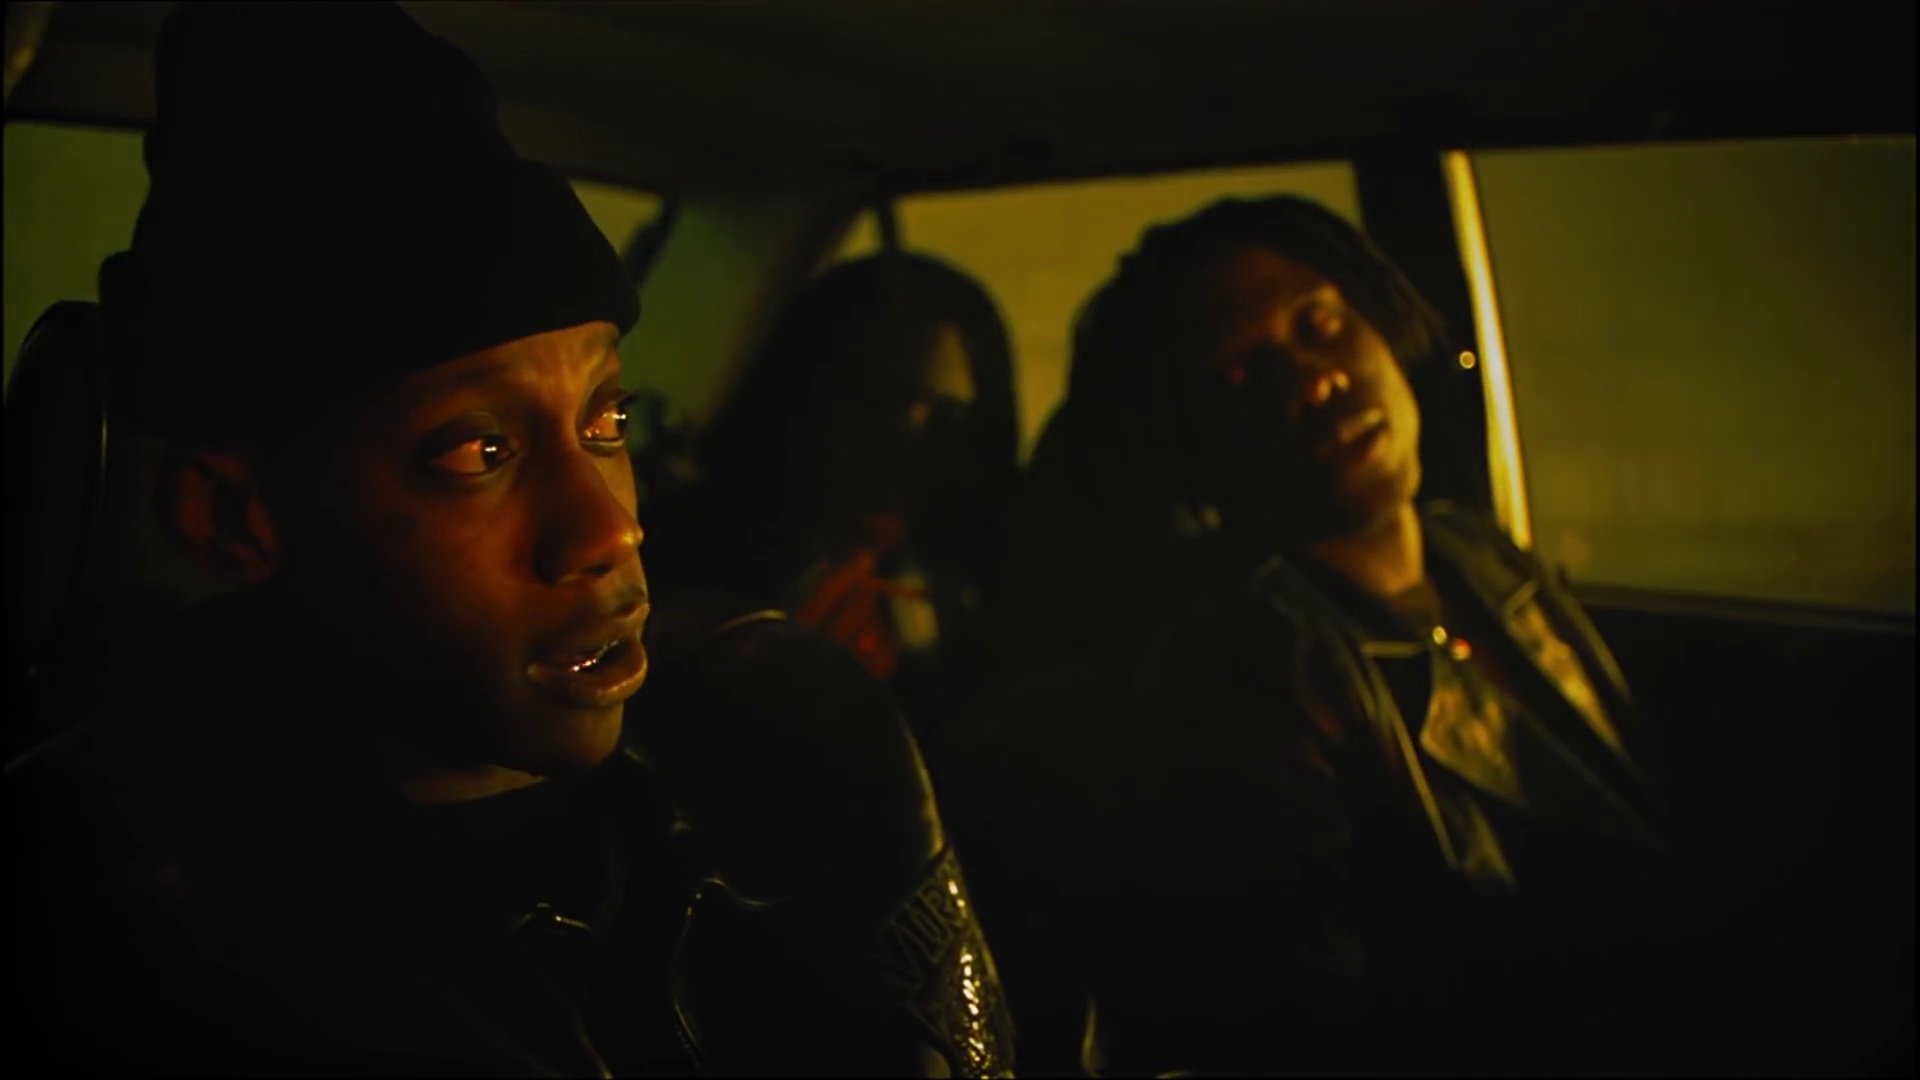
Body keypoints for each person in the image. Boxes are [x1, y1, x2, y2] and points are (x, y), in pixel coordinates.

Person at [7, 4, 1014, 1075]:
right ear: (230, 518)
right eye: (478, 451)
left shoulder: (752, 771)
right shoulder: (119, 936)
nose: (609, 526)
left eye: (606, 421)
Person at [944, 196, 1677, 1076]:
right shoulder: (1261, 665)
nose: (1315, 381)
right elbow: (1321, 1013)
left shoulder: (1481, 558)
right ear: (1193, 446)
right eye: (1240, 377)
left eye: (1321, 325)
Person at [644, 251, 1019, 752]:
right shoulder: (677, 551)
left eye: (946, 415)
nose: (907, 436)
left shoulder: (968, 593)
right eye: (878, 398)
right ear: (807, 387)